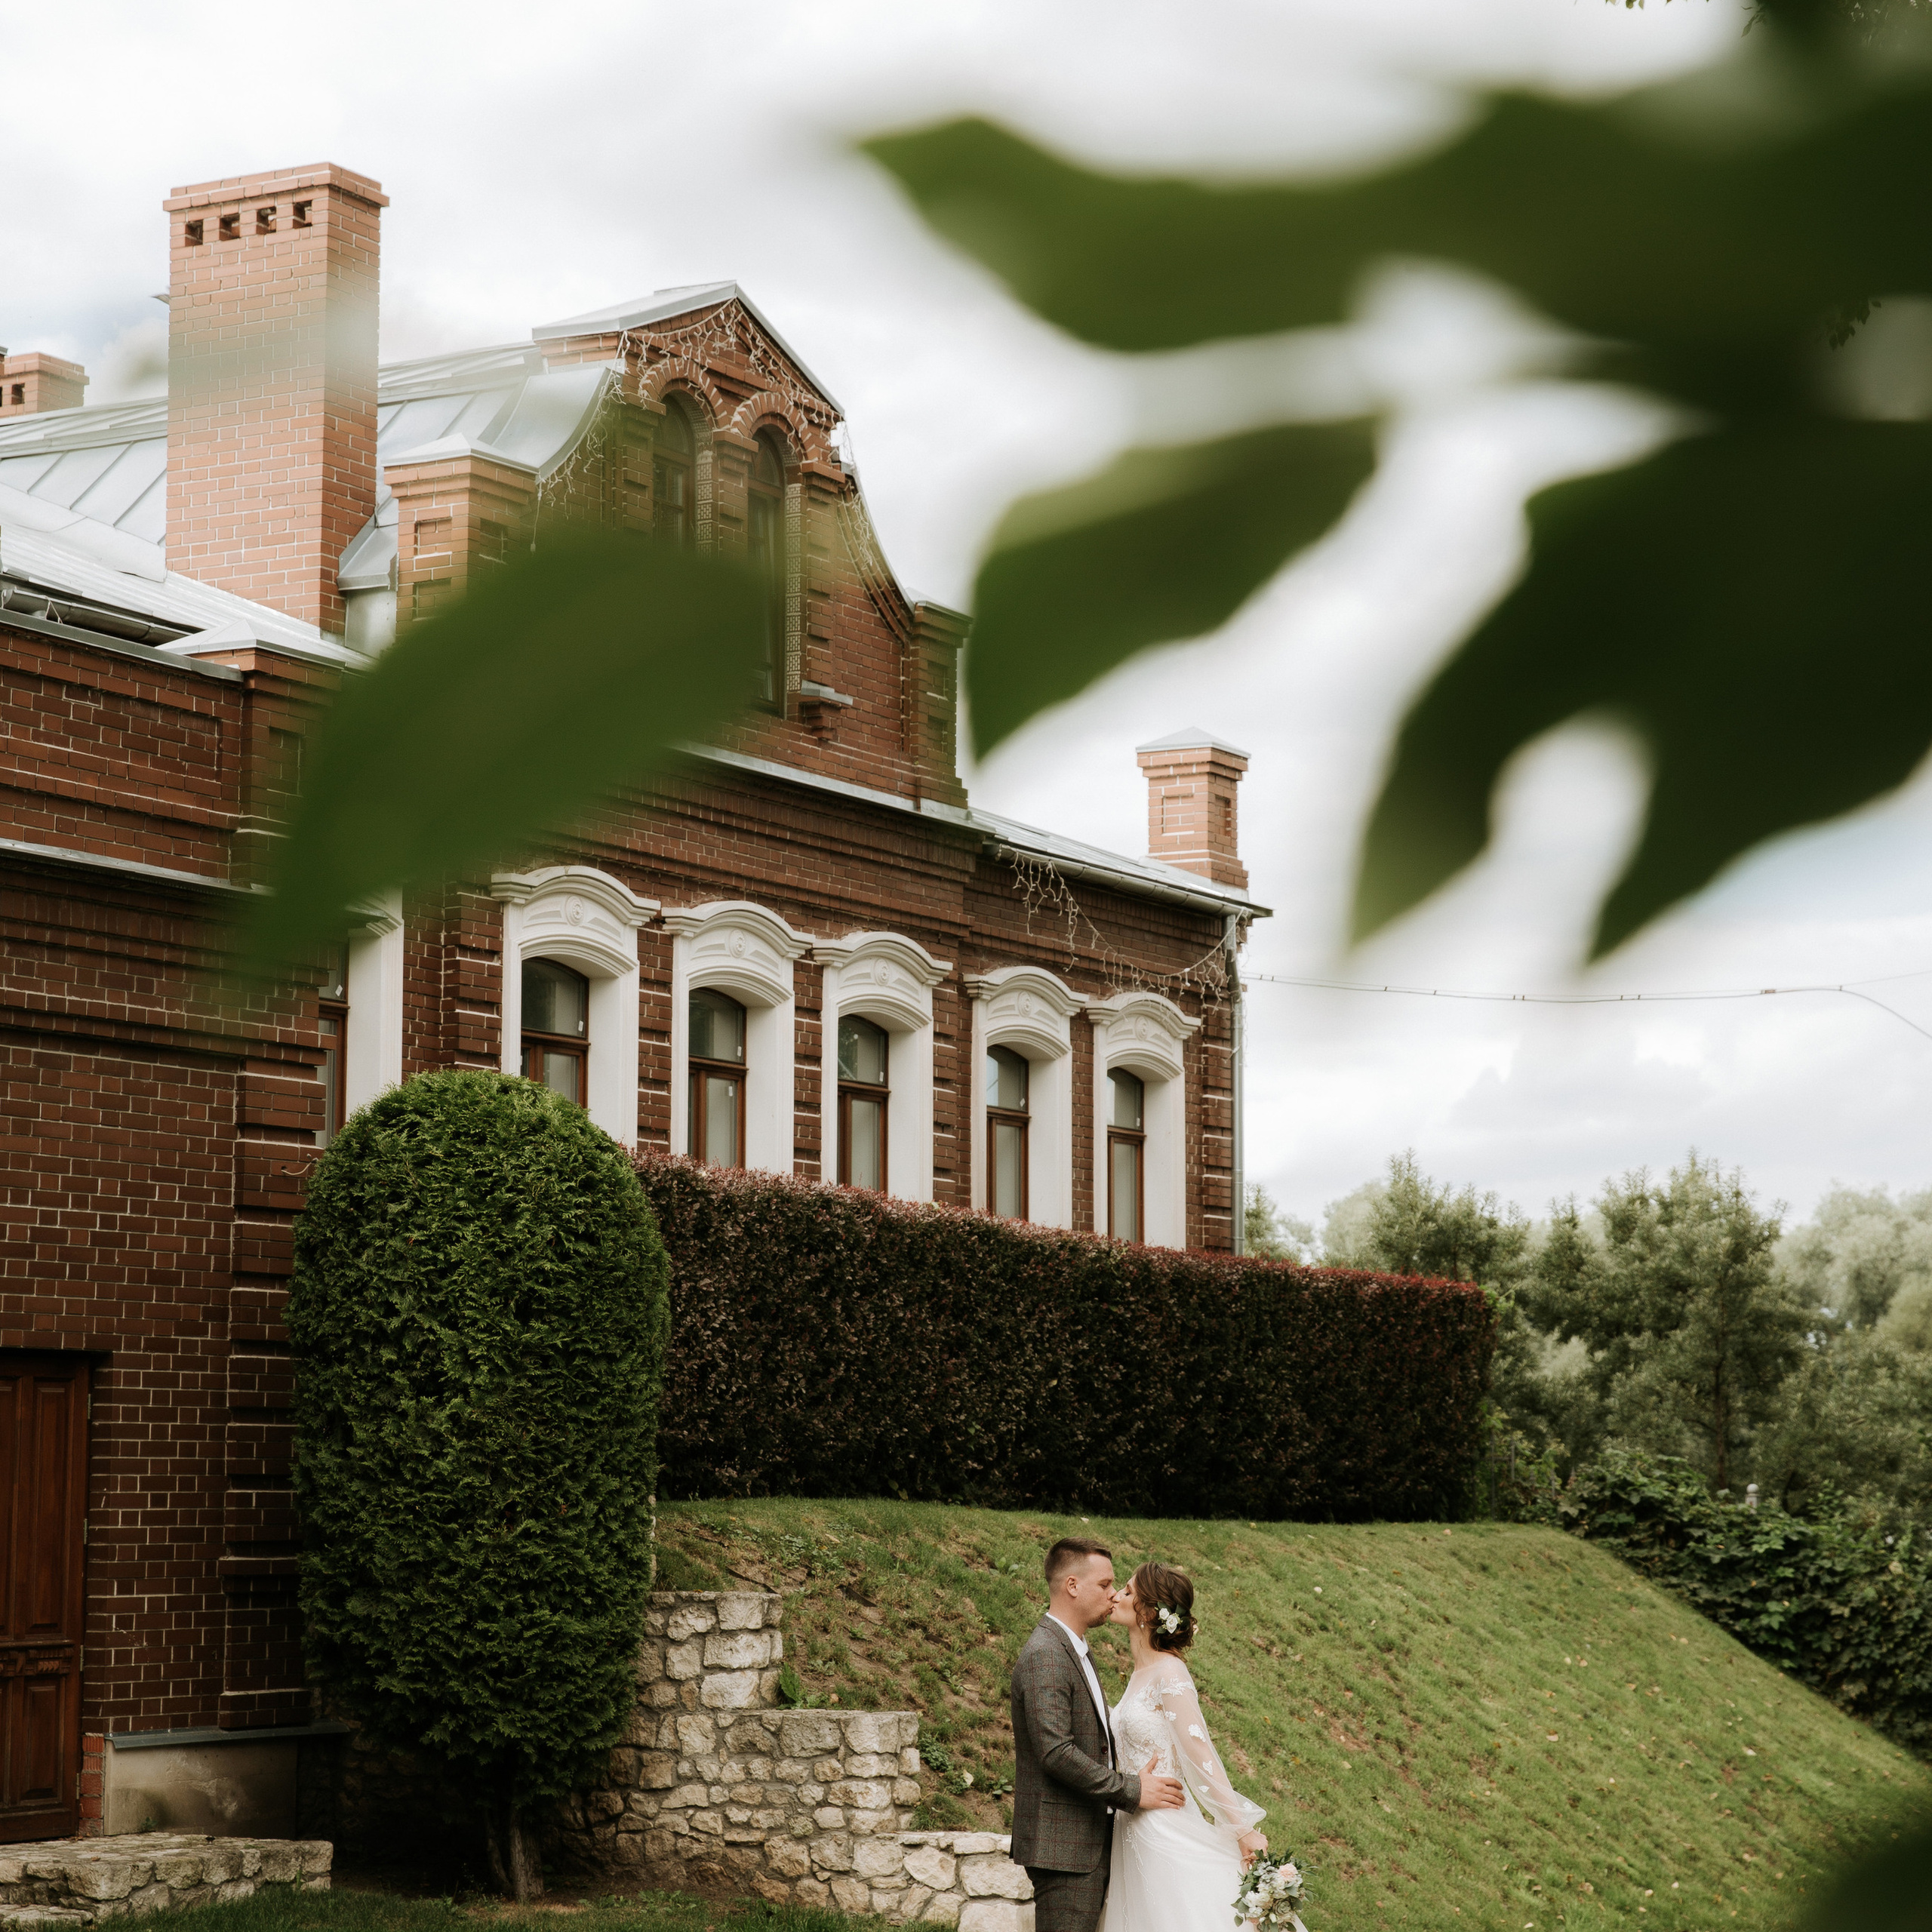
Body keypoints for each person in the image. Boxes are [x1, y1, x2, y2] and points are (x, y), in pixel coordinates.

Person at [1011, 1537, 1186, 1932]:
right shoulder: (1047, 1655)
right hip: (1064, 1848)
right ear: (1073, 1586)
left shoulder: (1076, 1650)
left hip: (1089, 1841)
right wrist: (1132, 1789)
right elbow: (1056, 1752)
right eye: (1105, 1585)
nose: (1114, 1594)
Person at [1097, 1559, 1276, 1932]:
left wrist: (1241, 1829)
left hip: (1163, 1823)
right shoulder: (1138, 1675)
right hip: (1132, 1823)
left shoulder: (1170, 1672)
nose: (1115, 1595)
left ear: (1147, 1612)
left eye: (1127, 1591)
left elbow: (1200, 1754)